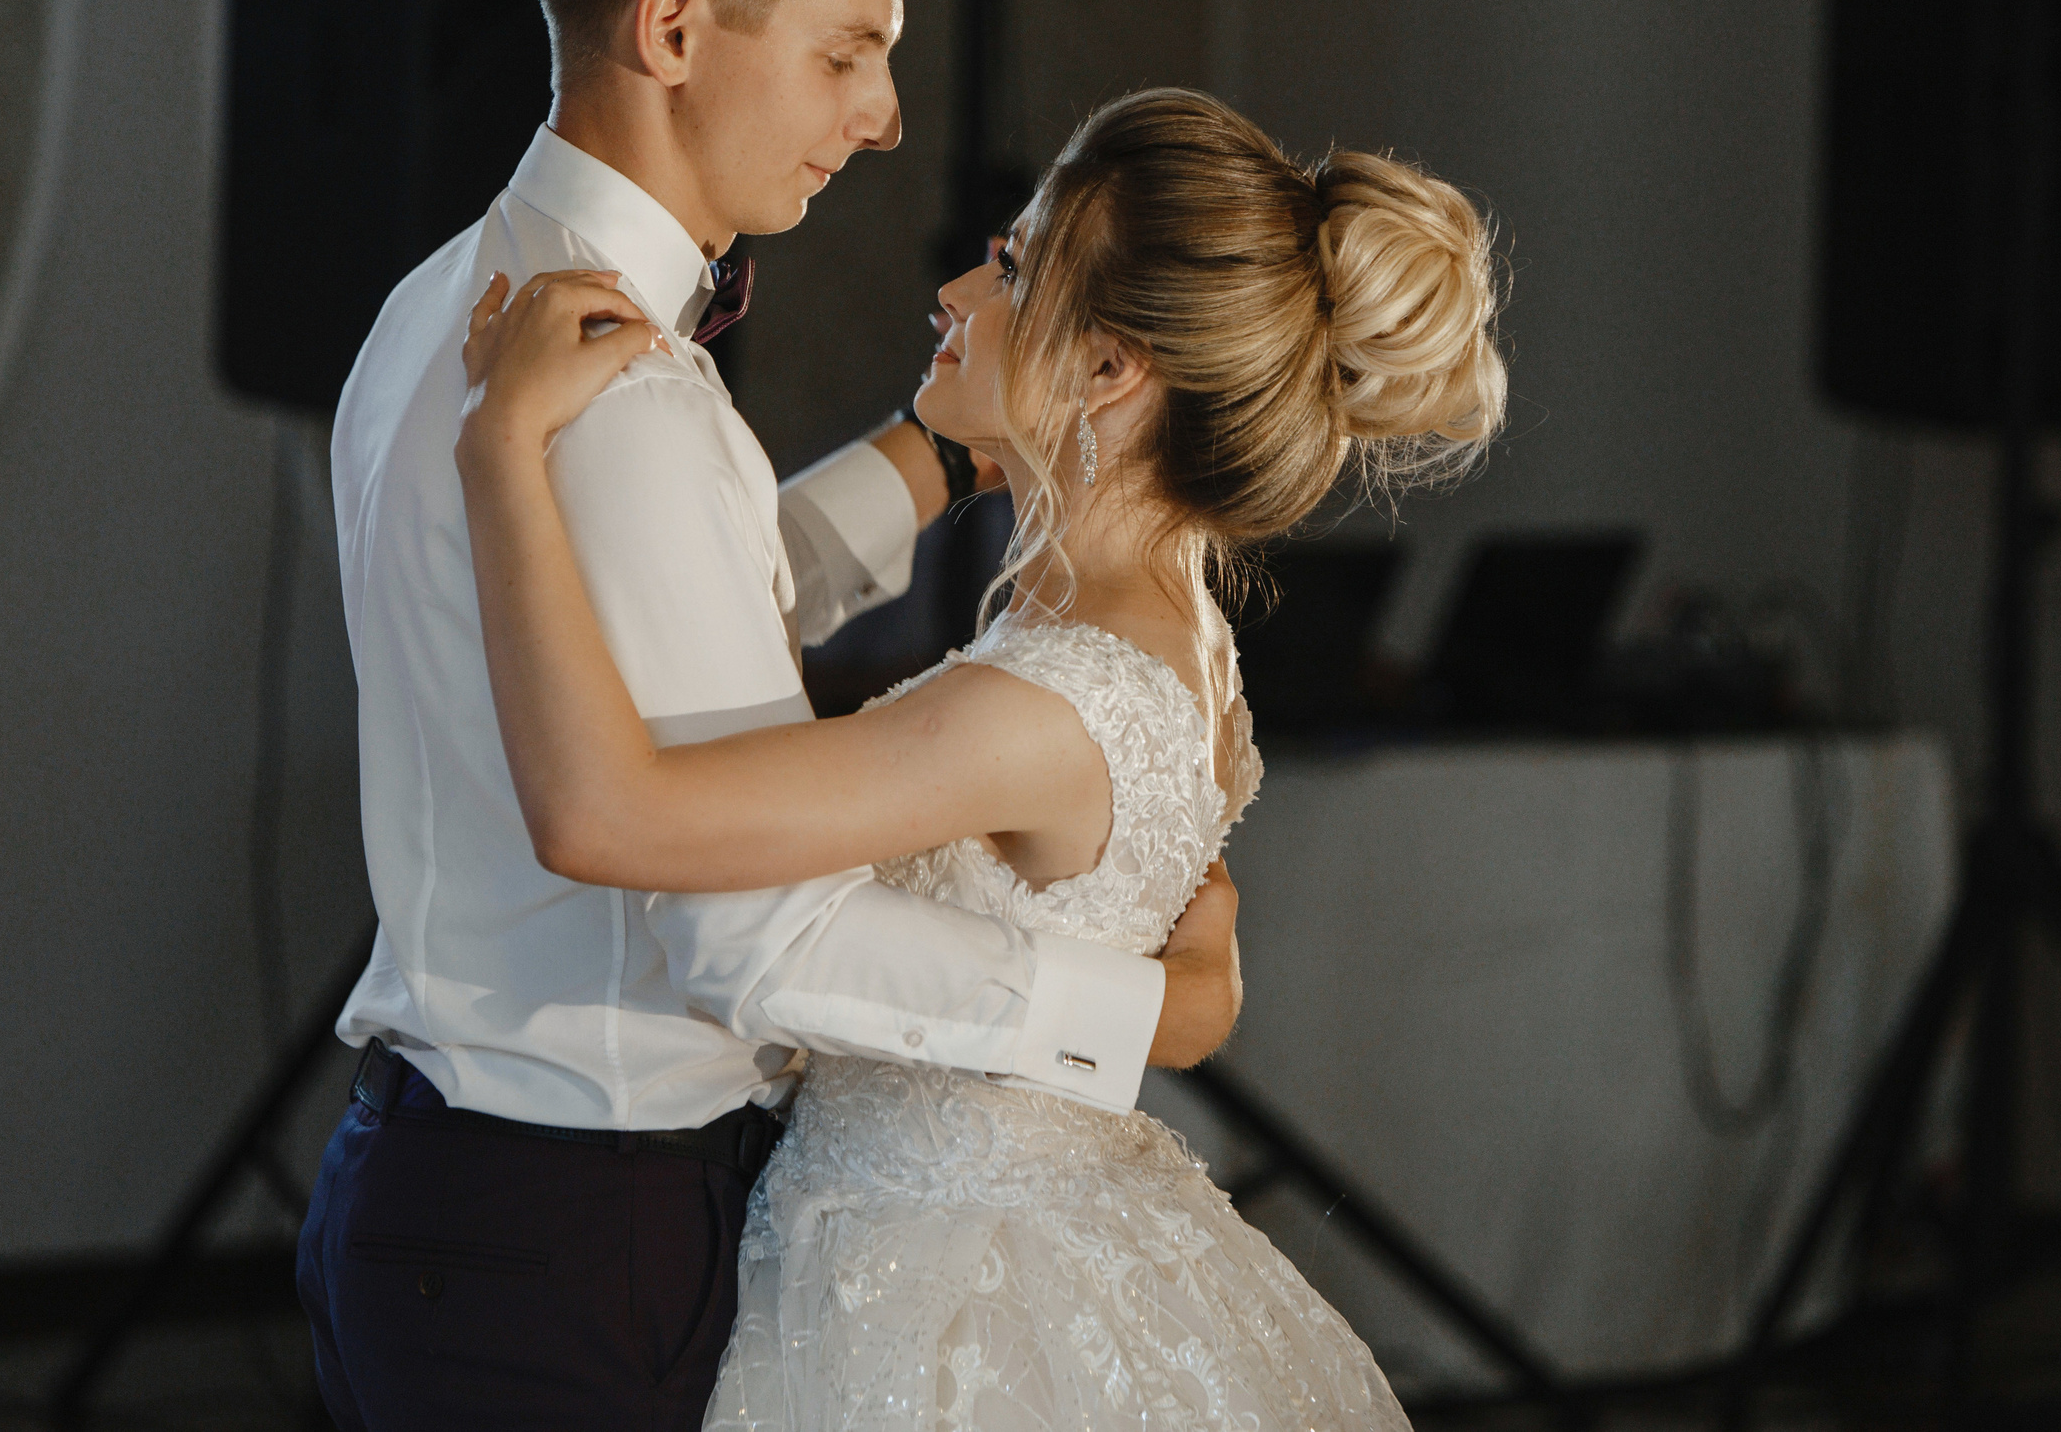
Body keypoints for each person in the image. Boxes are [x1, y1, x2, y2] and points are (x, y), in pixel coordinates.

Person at [300, 0, 1243, 1432]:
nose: (882, 117)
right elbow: (747, 929)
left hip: (448, 1191)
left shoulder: (442, 302)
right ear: (675, 27)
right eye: (845, 52)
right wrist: (1139, 1015)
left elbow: (696, 614)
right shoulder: (627, 404)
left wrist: (945, 461)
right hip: (570, 1230)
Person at [455, 86, 1508, 1430]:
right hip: (1042, 1218)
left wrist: (499, 450)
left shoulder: (1043, 699)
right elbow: (743, 601)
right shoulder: (1173, 629)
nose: (956, 284)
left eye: (1011, 265)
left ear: (1113, 370)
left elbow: (616, 813)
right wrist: (968, 439)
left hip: (935, 1296)